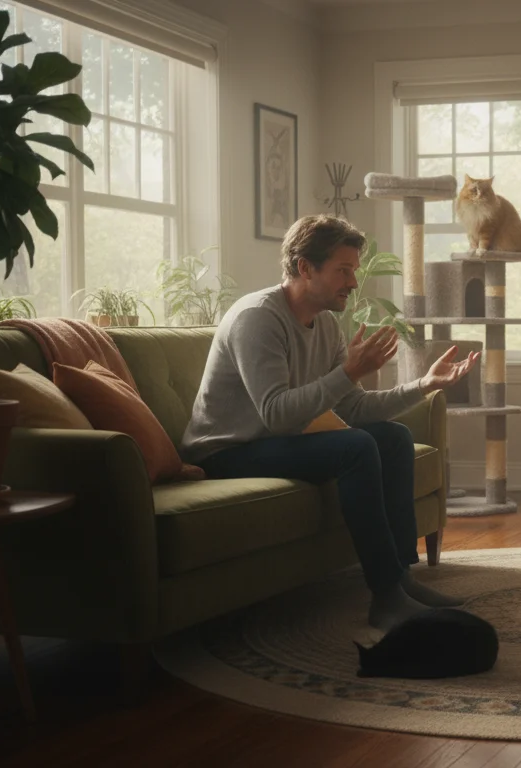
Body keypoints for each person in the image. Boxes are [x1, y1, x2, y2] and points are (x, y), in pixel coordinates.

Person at [181, 214, 480, 631]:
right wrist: (348, 372)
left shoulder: (324, 324)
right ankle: (386, 598)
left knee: (392, 438)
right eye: (343, 270)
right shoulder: (257, 318)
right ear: (305, 267)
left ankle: (400, 579)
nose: (354, 282)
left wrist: (425, 384)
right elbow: (277, 414)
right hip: (227, 452)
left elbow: (353, 408)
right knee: (354, 447)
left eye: (353, 271)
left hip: (271, 442)